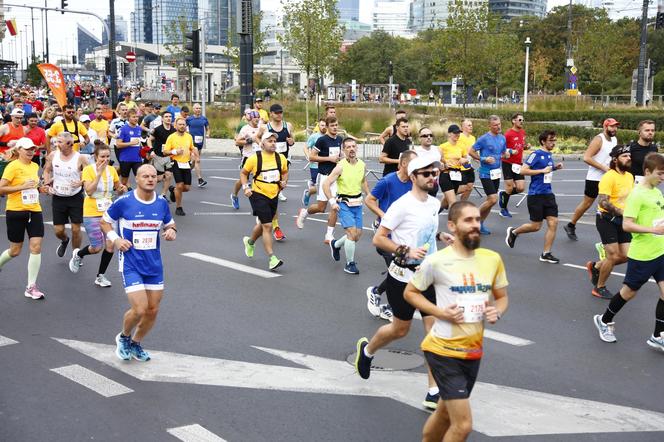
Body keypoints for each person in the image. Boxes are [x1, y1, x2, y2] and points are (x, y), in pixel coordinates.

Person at [404, 200, 509, 442]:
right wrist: (439, 312)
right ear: (452, 226)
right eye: (468, 220)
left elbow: (502, 298)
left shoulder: (492, 259)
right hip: (442, 350)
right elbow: (410, 292)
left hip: (472, 352)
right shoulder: (437, 261)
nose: (475, 225)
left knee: (444, 414)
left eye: (478, 220)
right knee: (462, 426)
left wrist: (496, 311)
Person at [354, 156, 441, 409]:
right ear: (413, 177)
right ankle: (367, 351)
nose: (431, 177)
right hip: (402, 278)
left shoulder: (434, 204)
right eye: (425, 174)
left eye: (433, 173)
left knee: (433, 333)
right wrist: (405, 250)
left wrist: (440, 236)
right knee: (400, 330)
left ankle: (433, 390)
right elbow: (379, 239)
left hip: (428, 277)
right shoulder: (401, 206)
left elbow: (425, 232)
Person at [102, 164, 177, 362]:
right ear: (138, 179)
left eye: (154, 176)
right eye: (146, 176)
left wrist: (171, 231)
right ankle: (124, 337)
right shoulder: (124, 201)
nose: (151, 179)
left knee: (153, 310)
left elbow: (170, 223)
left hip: (154, 265)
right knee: (140, 309)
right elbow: (104, 221)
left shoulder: (161, 202)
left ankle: (136, 343)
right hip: (131, 263)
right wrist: (116, 239)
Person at [593, 152, 664, 352]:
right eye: (660, 173)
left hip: (660, 251)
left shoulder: (657, 192)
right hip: (643, 255)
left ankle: (658, 335)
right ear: (647, 171)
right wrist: (653, 230)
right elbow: (627, 225)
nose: (663, 177)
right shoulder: (637, 194)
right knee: (628, 293)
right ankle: (604, 320)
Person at [365, 150, 418, 322]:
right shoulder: (387, 181)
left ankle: (376, 292)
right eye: (413, 163)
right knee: (399, 271)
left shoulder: (413, 183)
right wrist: (383, 216)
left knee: (398, 271)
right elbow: (369, 200)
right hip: (385, 236)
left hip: (404, 236)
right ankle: (388, 307)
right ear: (403, 164)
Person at [69, 142, 127, 286]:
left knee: (110, 245)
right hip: (92, 211)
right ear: (95, 157)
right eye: (102, 157)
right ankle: (79, 254)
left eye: (107, 156)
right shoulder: (89, 170)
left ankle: (100, 276)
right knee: (96, 248)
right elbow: (89, 191)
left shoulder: (112, 170)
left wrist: (121, 188)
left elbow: (117, 187)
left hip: (108, 212)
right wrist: (99, 174)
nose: (105, 159)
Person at [0, 138, 50, 299]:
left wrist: (42, 189)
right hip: (15, 211)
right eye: (27, 149)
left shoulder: (35, 166)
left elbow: (34, 186)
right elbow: (1, 188)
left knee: (36, 246)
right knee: (15, 251)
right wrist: (22, 186)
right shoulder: (12, 166)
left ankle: (31, 286)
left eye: (32, 149)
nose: (30, 151)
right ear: (19, 150)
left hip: (34, 210)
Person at [505, 130, 563, 264]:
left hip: (548, 194)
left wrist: (555, 168)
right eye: (551, 141)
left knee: (553, 223)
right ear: (543, 141)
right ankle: (514, 232)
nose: (553, 143)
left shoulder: (549, 155)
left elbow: (546, 172)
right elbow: (523, 170)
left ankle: (546, 253)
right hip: (536, 195)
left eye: (554, 140)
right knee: (536, 226)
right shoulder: (535, 154)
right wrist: (543, 170)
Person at [585, 145, 633, 299]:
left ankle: (596, 266)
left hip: (622, 220)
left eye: (629, 155)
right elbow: (603, 202)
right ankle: (599, 287)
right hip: (606, 219)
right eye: (624, 156)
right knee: (612, 255)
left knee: (626, 255)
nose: (628, 158)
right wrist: (621, 212)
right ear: (615, 159)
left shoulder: (629, 177)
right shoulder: (609, 176)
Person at [564, 118, 619, 241]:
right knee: (587, 203)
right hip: (594, 178)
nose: (614, 129)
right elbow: (586, 158)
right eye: (612, 127)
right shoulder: (599, 139)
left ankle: (611, 232)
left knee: (609, 204)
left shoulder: (614, 139)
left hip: (609, 178)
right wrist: (604, 168)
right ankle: (571, 224)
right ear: (605, 127)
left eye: (616, 126)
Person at [240, 131, 288, 270]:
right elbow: (244, 173)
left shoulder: (281, 158)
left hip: (274, 194)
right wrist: (245, 187)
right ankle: (272, 258)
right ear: (262, 144)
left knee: (263, 224)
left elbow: (284, 172)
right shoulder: (255, 158)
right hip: (258, 193)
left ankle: (250, 242)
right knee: (268, 226)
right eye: (270, 141)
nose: (273, 143)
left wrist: (284, 182)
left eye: (274, 141)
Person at [324, 138, 369, 274]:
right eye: (348, 147)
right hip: (344, 203)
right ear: (343, 150)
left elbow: (363, 181)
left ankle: (336, 245)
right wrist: (332, 202)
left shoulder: (362, 164)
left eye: (353, 146)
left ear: (357, 148)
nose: (351, 149)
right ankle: (350, 264)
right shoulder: (340, 166)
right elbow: (325, 184)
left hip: (358, 203)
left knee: (357, 235)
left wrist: (370, 195)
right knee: (351, 233)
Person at [295, 116, 342, 243]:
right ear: (327, 126)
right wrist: (328, 158)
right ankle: (304, 212)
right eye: (332, 125)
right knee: (321, 208)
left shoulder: (339, 139)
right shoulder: (322, 140)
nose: (335, 127)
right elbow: (312, 157)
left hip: (336, 177)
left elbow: (340, 155)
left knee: (334, 206)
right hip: (324, 176)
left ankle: (329, 235)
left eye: (336, 125)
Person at [42, 132, 88, 259]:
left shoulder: (80, 158)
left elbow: (89, 174)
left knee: (76, 229)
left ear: (70, 144)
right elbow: (46, 170)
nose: (56, 144)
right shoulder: (53, 155)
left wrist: (81, 181)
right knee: (58, 231)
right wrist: (46, 184)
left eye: (60, 142)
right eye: (56, 141)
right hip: (58, 197)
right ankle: (64, 240)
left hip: (75, 197)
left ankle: (76, 255)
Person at [254, 103, 294, 239]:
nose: (279, 115)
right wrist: (262, 144)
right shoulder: (265, 127)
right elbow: (256, 136)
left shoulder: (288, 125)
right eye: (276, 113)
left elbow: (292, 139)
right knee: (272, 195)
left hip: (283, 161)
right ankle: (275, 227)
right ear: (271, 114)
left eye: (281, 112)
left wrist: (291, 141)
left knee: (275, 194)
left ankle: (265, 217)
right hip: (269, 162)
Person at [469, 115, 510, 235]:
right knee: (493, 199)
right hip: (485, 173)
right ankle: (473, 218)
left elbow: (503, 153)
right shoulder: (484, 139)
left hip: (496, 173)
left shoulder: (502, 138)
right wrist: (483, 159)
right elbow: (471, 151)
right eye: (495, 125)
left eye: (499, 124)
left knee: (491, 201)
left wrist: (506, 154)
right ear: (490, 126)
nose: (498, 127)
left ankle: (480, 224)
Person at [163, 117, 198, 216]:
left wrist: (195, 156)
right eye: (180, 124)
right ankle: (179, 207)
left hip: (186, 163)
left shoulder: (189, 136)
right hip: (176, 162)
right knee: (179, 185)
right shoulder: (171, 137)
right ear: (176, 126)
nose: (182, 126)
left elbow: (192, 147)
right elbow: (165, 152)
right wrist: (174, 151)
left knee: (186, 188)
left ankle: (173, 190)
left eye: (184, 124)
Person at [498, 113, 528, 218]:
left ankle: (504, 195)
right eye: (520, 120)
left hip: (518, 163)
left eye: (523, 120)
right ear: (513, 121)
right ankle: (503, 209)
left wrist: (526, 146)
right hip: (508, 163)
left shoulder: (523, 133)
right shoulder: (508, 134)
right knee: (510, 187)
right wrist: (509, 151)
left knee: (520, 188)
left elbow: (521, 145)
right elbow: (501, 148)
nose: (522, 122)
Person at [231, 110, 261, 209]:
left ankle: (259, 201)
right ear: (251, 119)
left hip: (259, 157)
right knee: (243, 180)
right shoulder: (245, 128)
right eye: (255, 117)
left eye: (258, 117)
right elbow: (237, 142)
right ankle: (234, 195)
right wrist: (249, 140)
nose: (257, 119)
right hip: (248, 157)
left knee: (259, 178)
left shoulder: (262, 128)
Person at [438, 124, 470, 209]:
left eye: (459, 133)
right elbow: (437, 162)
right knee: (453, 202)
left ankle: (433, 215)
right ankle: (454, 222)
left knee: (446, 201)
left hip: (457, 175)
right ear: (449, 134)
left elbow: (467, 163)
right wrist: (444, 164)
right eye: (455, 133)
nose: (457, 135)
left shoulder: (461, 146)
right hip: (446, 174)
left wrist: (464, 161)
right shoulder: (442, 147)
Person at [149, 111, 175, 200]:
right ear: (162, 119)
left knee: (168, 175)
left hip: (168, 157)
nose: (168, 118)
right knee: (159, 178)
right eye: (166, 116)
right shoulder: (158, 129)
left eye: (170, 117)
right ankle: (149, 192)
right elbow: (149, 140)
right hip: (158, 156)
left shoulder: (174, 130)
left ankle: (163, 195)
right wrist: (151, 150)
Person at [116, 108, 144, 187]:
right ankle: (122, 196)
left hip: (137, 159)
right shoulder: (123, 129)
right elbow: (118, 144)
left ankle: (139, 197)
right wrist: (130, 143)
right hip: (125, 159)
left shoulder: (139, 129)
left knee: (141, 179)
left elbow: (139, 143)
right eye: (133, 117)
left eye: (137, 117)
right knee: (124, 181)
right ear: (128, 118)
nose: (136, 118)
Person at [302, 118, 326, 206]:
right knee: (318, 186)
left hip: (327, 165)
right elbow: (305, 147)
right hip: (315, 165)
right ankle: (308, 192)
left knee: (326, 184)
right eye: (322, 125)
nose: (324, 127)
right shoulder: (314, 136)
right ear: (318, 126)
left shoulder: (330, 137)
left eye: (325, 125)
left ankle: (312, 183)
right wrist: (308, 155)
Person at [186, 103, 210, 188]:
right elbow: (183, 127)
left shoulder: (204, 119)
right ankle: (200, 179)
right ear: (193, 109)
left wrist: (207, 134)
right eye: (196, 108)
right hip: (192, 142)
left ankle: (186, 171)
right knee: (197, 160)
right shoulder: (189, 119)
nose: (198, 110)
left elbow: (207, 128)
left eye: (199, 108)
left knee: (194, 161)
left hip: (200, 142)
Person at [415, 127, 442, 198]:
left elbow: (442, 164)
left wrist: (443, 166)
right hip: (421, 184)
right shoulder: (415, 152)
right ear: (419, 138)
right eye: (425, 136)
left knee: (431, 206)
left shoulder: (438, 150)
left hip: (434, 183)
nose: (429, 137)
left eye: (430, 135)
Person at [457, 119, 476, 201]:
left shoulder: (473, 138)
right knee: (462, 188)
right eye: (469, 125)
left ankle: (462, 204)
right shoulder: (459, 137)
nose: (471, 126)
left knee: (470, 187)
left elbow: (472, 151)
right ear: (462, 127)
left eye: (471, 125)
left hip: (469, 166)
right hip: (460, 167)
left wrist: (477, 158)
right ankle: (449, 195)